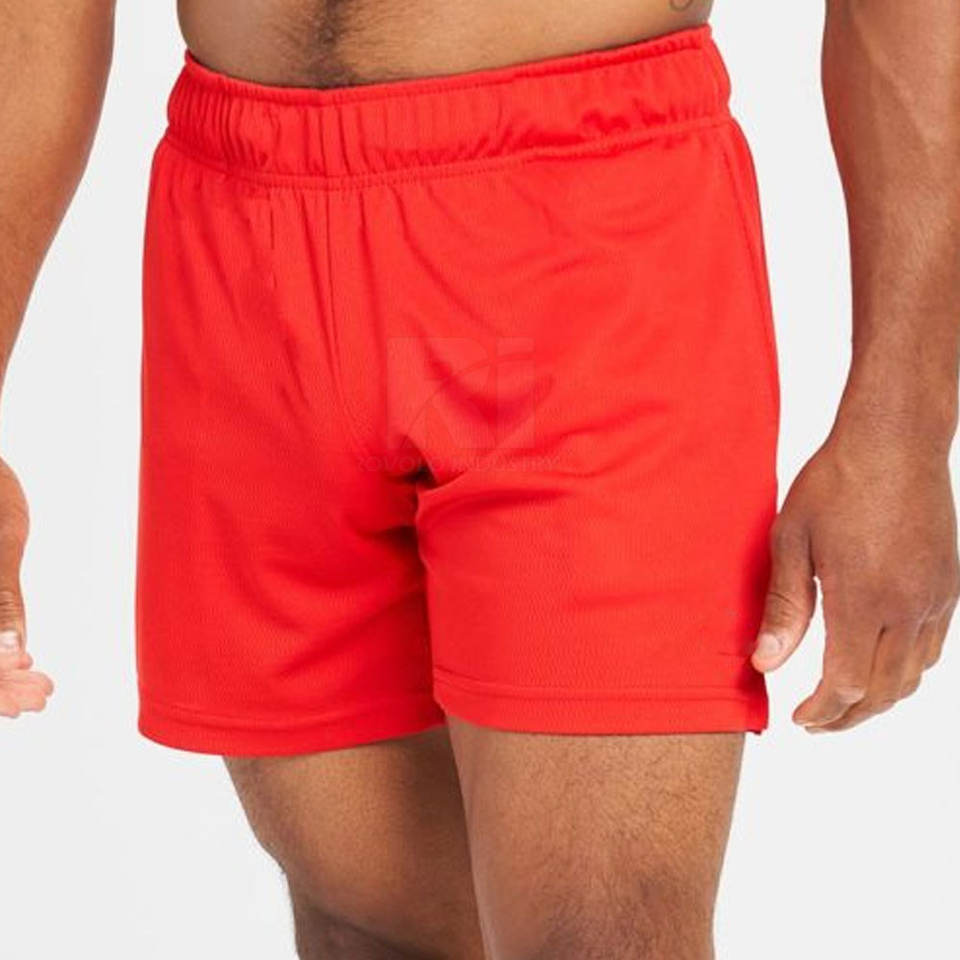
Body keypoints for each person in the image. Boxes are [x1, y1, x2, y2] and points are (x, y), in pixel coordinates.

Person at [2, 1, 958, 957]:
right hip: (241, 238)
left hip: (587, 220)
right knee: (366, 925)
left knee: (606, 933)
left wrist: (903, 431)